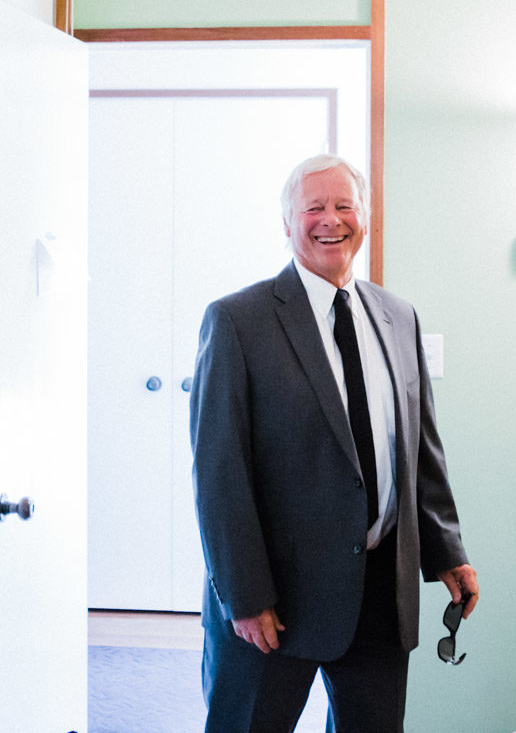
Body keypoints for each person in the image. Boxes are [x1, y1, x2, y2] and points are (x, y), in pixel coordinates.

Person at [190, 154, 479, 732]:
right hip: (275, 602)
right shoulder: (238, 321)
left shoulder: (398, 317)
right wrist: (245, 596)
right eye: (314, 208)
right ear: (288, 224)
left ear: (364, 217)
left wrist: (447, 552)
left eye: (344, 205)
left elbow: (421, 451)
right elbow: (219, 475)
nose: (331, 220)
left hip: (379, 596)